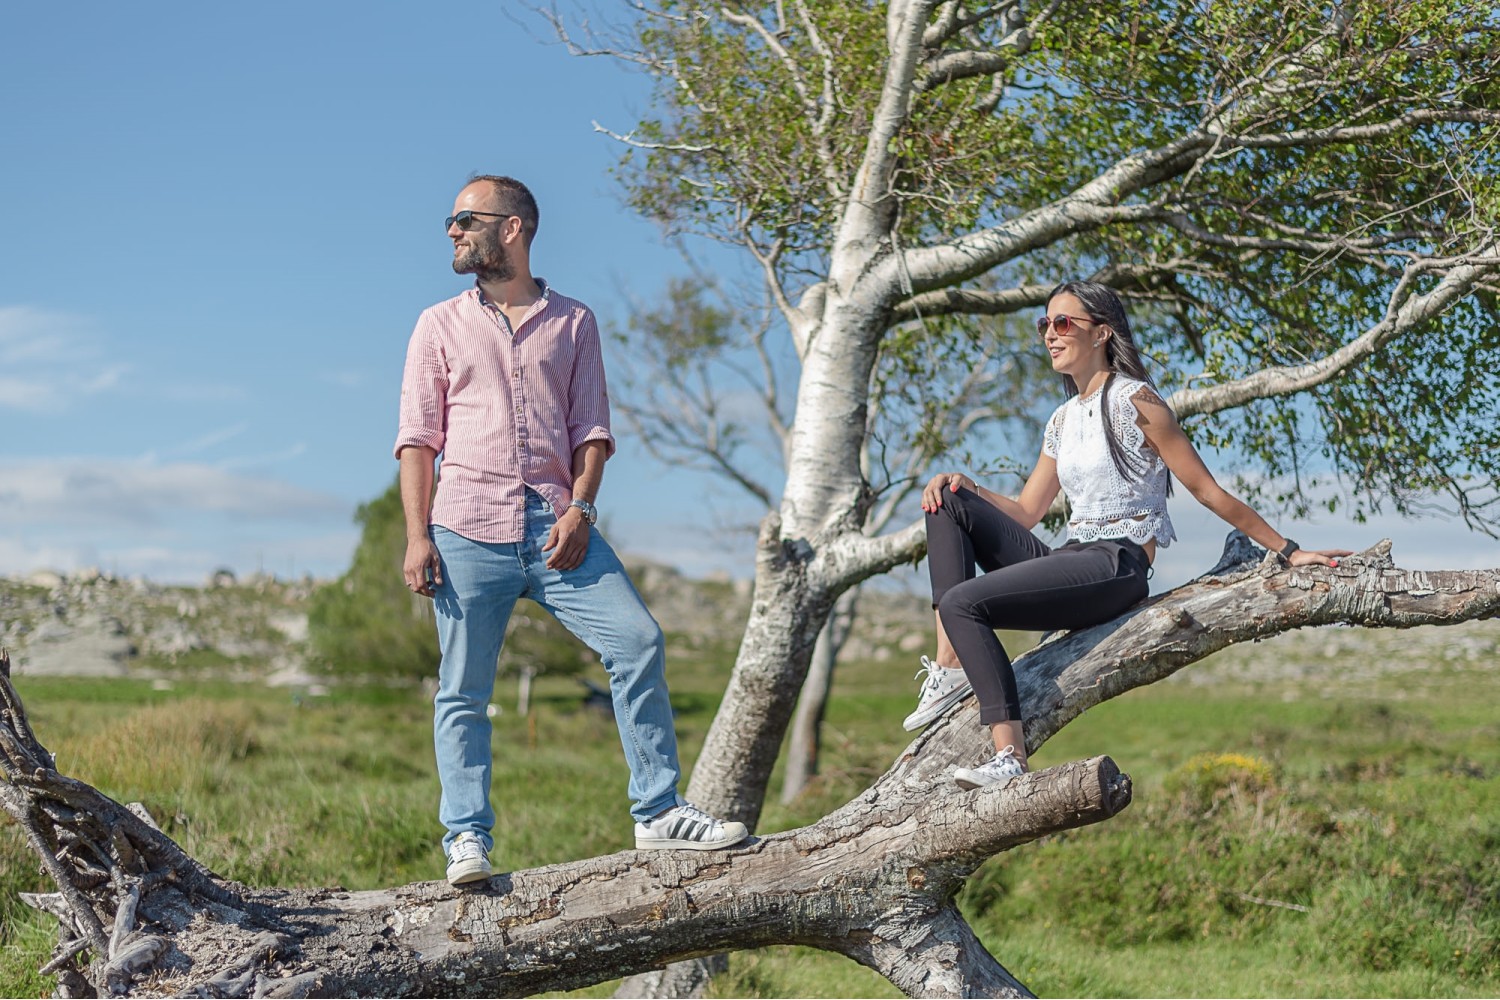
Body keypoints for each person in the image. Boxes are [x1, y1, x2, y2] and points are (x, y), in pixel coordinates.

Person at [394, 174, 749, 887]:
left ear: (513, 228)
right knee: (462, 688)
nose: (452, 232)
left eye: (465, 219)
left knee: (639, 640)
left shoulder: (574, 322)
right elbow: (417, 439)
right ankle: (466, 839)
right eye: (450, 221)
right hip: (465, 526)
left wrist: (580, 508)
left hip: (558, 526)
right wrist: (416, 535)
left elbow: (592, 429)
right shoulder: (438, 323)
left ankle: (656, 812)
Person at [905, 280, 1350, 789]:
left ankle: (1009, 758)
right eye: (1044, 325)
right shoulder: (1062, 419)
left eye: (1063, 323)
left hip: (1115, 566)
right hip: (1072, 559)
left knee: (963, 602)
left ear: (1102, 333)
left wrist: (1289, 550)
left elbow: (1207, 491)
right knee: (946, 501)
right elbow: (1028, 511)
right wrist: (970, 485)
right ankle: (949, 668)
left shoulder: (1136, 401)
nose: (1050, 334)